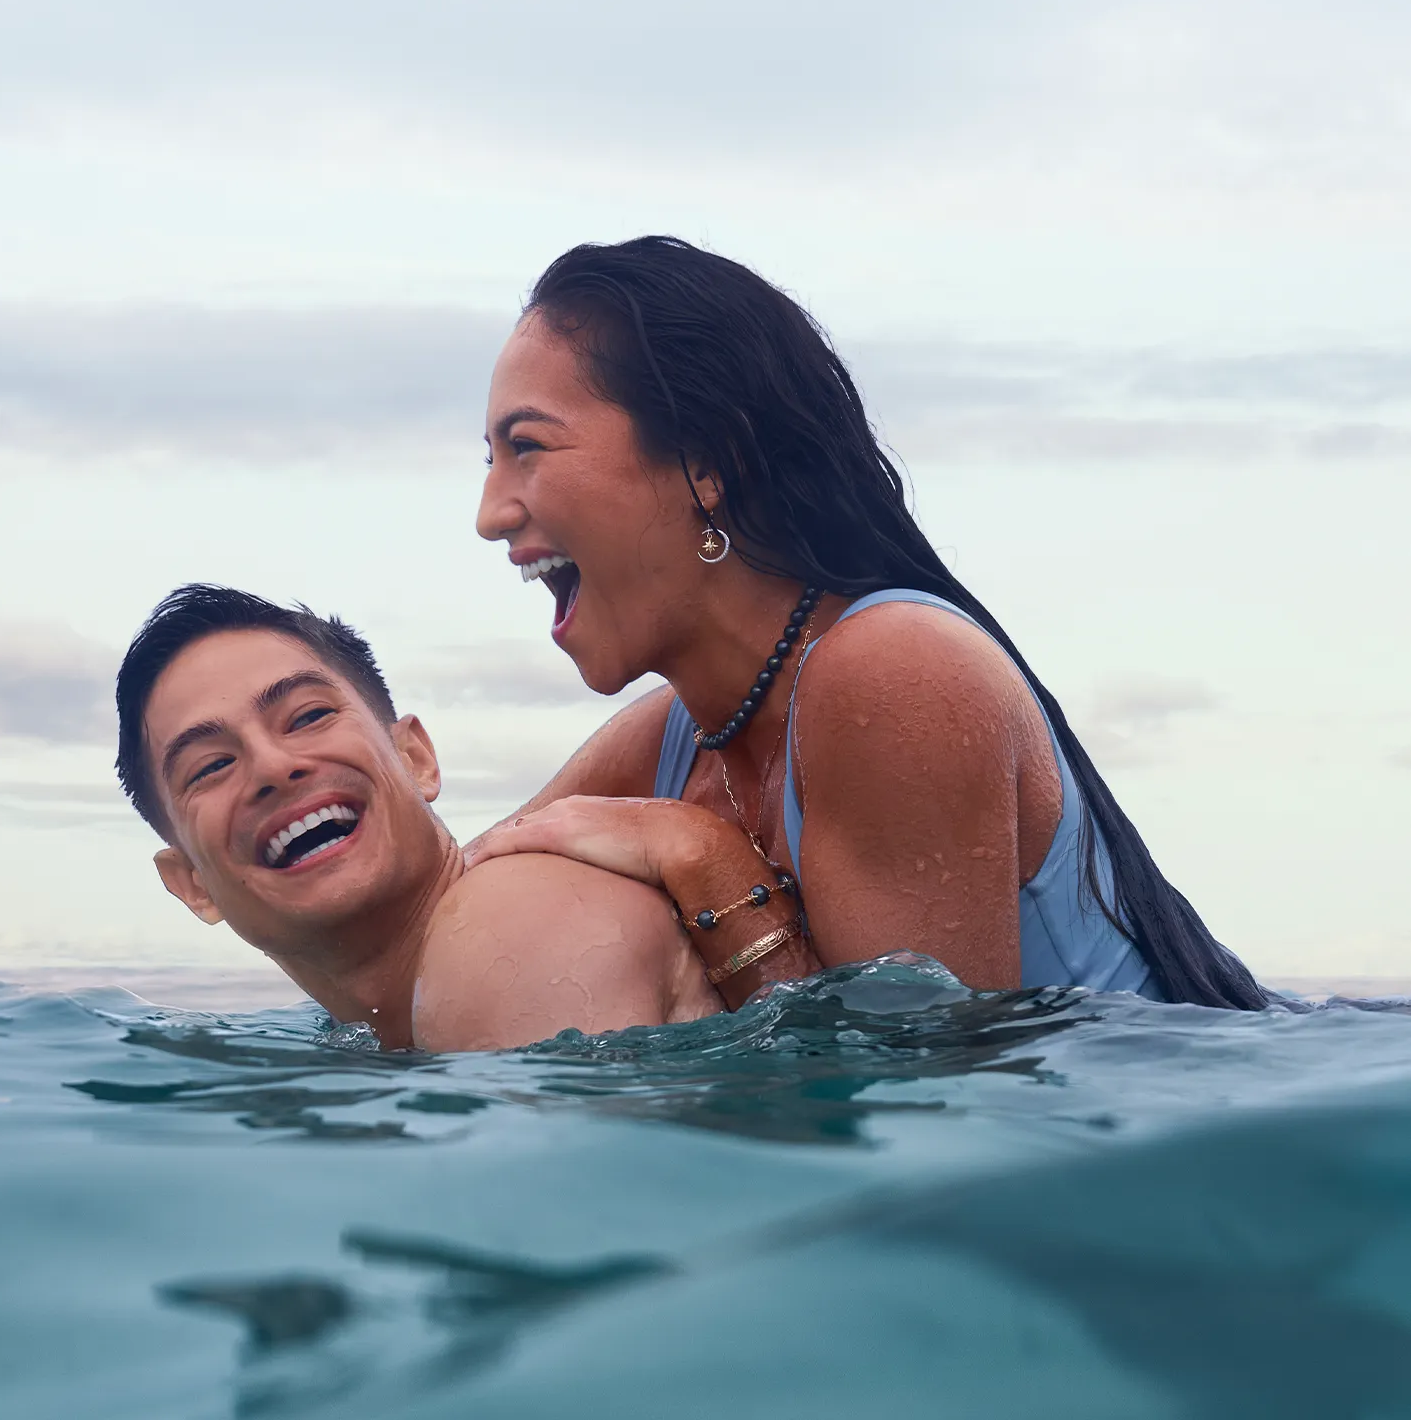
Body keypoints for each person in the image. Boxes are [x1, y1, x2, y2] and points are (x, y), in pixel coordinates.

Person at [466, 236, 1268, 1011]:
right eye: (489, 460)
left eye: (526, 446)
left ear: (706, 464)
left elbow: (914, 1096)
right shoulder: (668, 742)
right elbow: (437, 921)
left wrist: (700, 858)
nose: (489, 513)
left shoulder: (898, 669)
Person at [113, 584, 720, 1050]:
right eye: (211, 766)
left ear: (415, 758)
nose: (273, 766)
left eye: (306, 717)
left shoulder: (515, 919)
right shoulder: (391, 1022)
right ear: (192, 884)